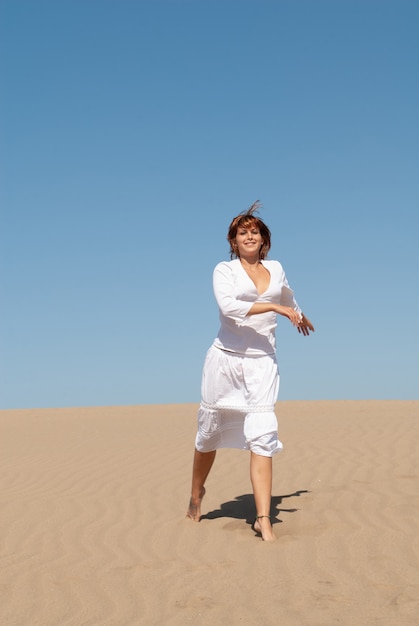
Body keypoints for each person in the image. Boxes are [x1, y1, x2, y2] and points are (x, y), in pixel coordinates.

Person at [186, 201, 314, 541]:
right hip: (225, 361)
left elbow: (287, 295)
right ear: (233, 241)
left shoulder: (276, 267)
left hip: (261, 362)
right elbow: (230, 310)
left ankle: (263, 518)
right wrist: (277, 308)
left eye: (254, 231)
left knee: (262, 434)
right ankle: (197, 493)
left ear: (264, 240)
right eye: (242, 232)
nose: (249, 236)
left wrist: (298, 314)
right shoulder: (223, 272)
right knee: (209, 433)